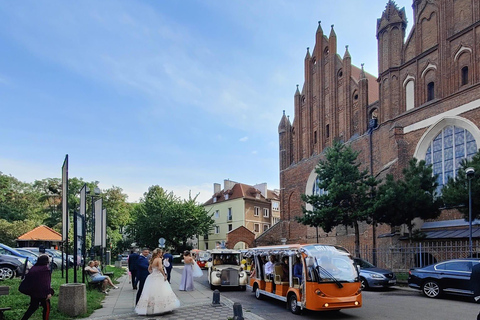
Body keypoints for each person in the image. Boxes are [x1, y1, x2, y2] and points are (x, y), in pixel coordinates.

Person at [135, 248, 180, 315]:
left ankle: (151, 307)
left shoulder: (152, 260)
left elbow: (149, 269)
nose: (162, 254)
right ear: (159, 253)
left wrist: (152, 273)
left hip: (152, 276)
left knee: (151, 292)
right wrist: (164, 275)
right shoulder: (159, 259)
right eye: (161, 252)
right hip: (158, 276)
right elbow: (160, 268)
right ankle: (162, 307)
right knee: (161, 291)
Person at [20, 254, 54, 320]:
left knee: (33, 307)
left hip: (34, 292)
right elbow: (46, 282)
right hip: (42, 293)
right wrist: (48, 292)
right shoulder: (45, 269)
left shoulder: (34, 268)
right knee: (47, 308)